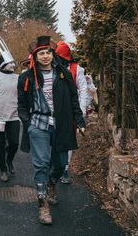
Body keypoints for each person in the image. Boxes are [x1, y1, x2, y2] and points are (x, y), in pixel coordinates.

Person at [17, 36, 85, 225]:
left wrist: (79, 120)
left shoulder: (64, 74)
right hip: (38, 125)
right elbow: (21, 105)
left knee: (61, 162)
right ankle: (43, 204)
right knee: (41, 164)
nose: (45, 56)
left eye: (48, 52)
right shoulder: (27, 77)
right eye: (41, 53)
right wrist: (28, 122)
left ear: (52, 55)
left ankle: (52, 182)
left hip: (61, 124)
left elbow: (73, 99)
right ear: (35, 56)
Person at [55, 41, 89, 184]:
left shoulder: (77, 69)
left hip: (71, 109)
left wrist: (80, 113)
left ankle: (65, 169)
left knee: (68, 139)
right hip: (56, 108)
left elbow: (83, 91)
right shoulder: (52, 69)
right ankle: (55, 165)